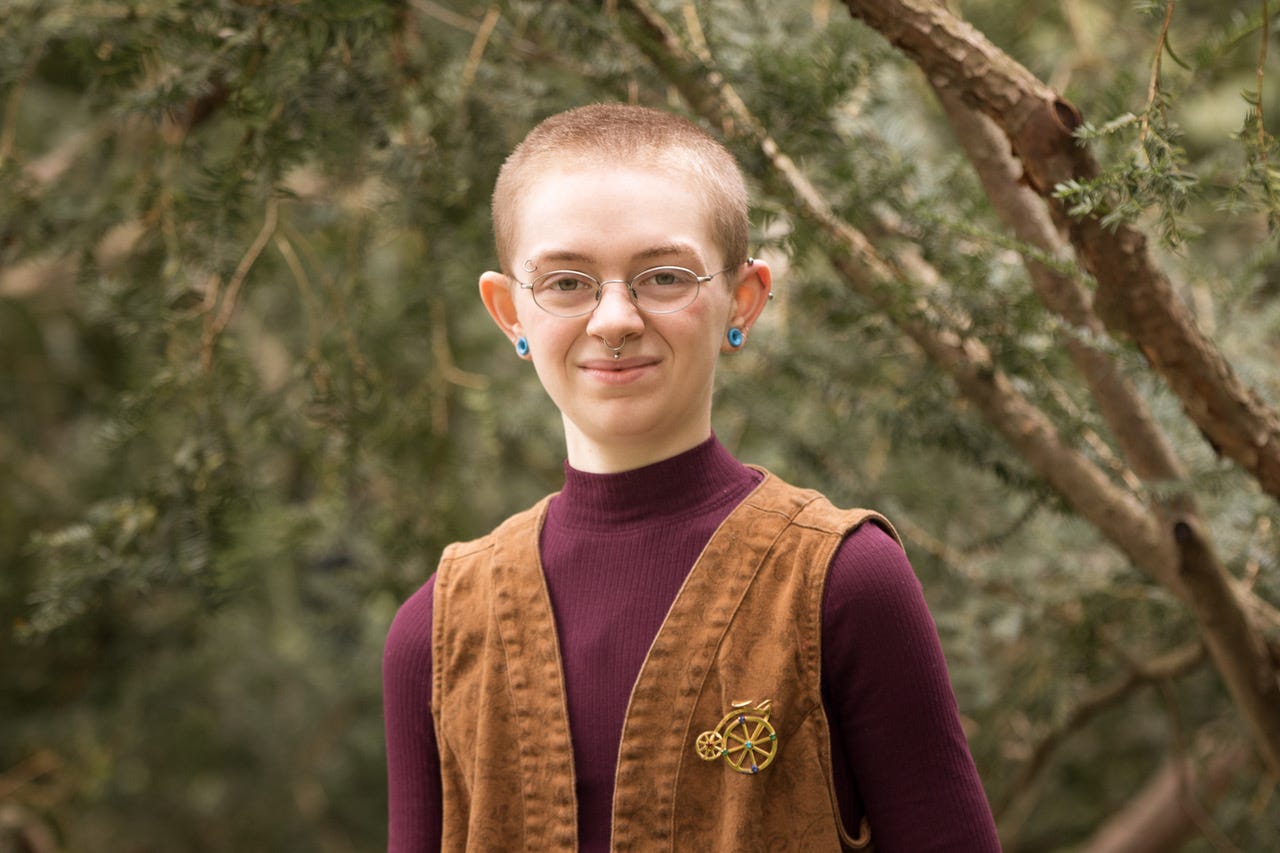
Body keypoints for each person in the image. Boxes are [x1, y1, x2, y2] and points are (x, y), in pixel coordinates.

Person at [383, 103, 1002, 852]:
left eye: (664, 276)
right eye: (568, 282)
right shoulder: (438, 633)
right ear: (510, 311)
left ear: (743, 298)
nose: (614, 318)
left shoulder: (843, 584)